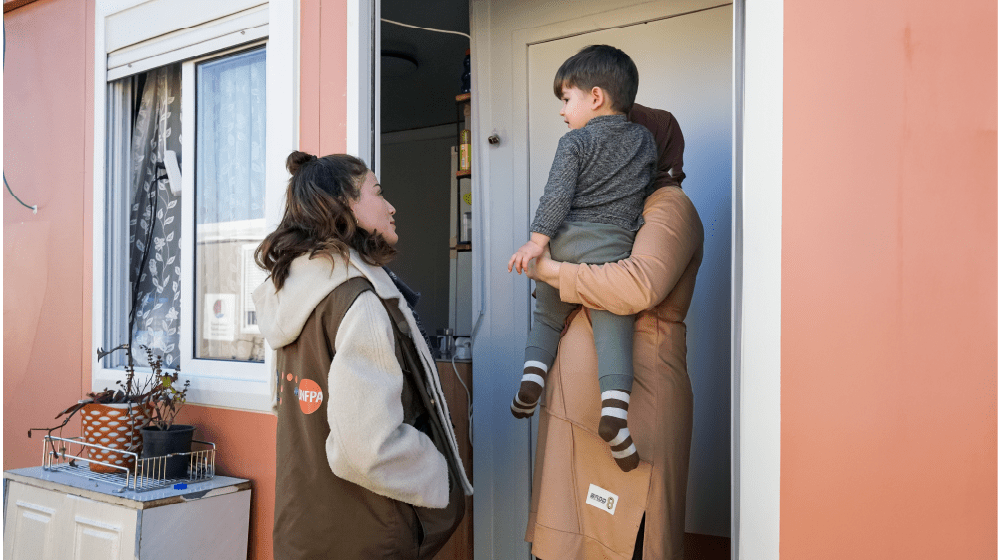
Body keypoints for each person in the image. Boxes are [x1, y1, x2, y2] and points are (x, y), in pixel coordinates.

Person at [252, 152, 473, 560]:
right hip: (368, 535)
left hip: (304, 530)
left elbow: (286, 406)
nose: (391, 207)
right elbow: (368, 447)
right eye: (378, 193)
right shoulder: (358, 303)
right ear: (344, 206)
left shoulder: (293, 295)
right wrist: (436, 468)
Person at [523, 103, 701, 560]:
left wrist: (555, 271)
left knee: (624, 541)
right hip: (578, 416)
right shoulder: (612, 207)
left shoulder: (671, 207)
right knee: (565, 542)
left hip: (636, 410)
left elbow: (637, 285)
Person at [507, 45, 657, 472]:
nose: (562, 111)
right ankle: (615, 417)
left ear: (595, 97)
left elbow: (557, 195)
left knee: (548, 317)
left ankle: (532, 376)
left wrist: (537, 243)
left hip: (567, 243)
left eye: (566, 99)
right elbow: (644, 192)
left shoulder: (575, 141)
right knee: (613, 328)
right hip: (611, 251)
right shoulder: (645, 141)